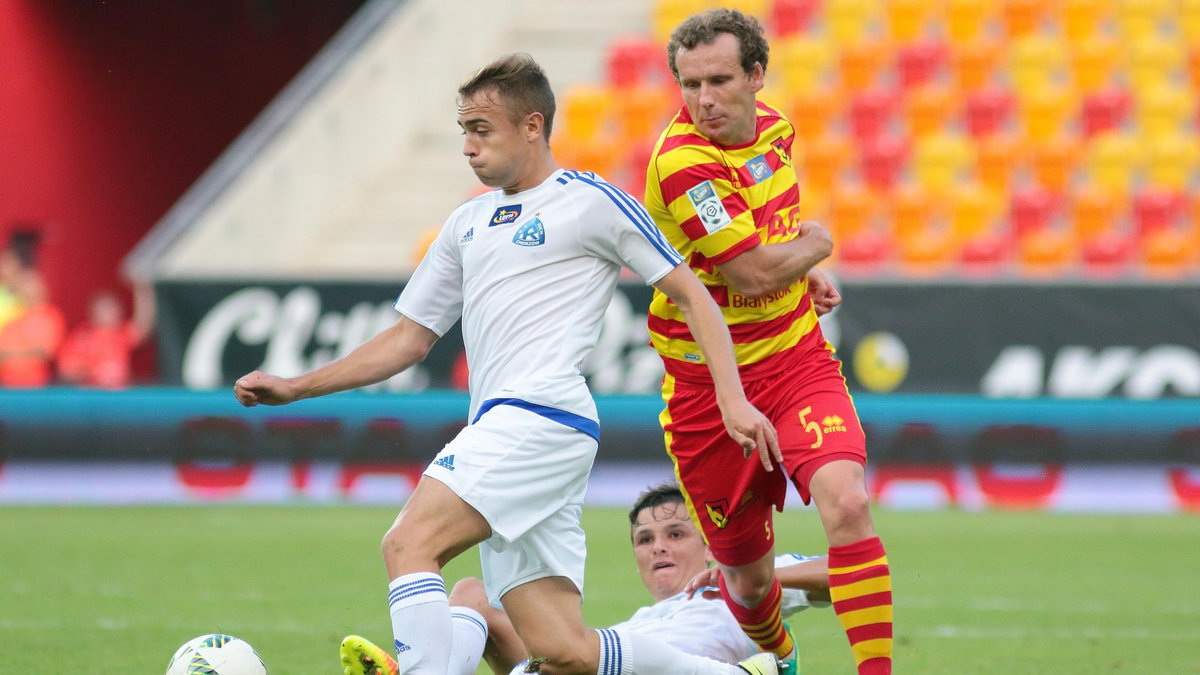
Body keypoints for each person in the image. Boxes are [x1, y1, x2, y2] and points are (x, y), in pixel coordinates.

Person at [235, 53, 783, 675]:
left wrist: (732, 399)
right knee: (563, 651)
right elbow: (409, 340)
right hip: (521, 428)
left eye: (481, 129)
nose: (468, 146)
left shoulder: (591, 201)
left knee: (408, 544)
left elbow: (693, 294)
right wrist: (297, 387)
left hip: (538, 415)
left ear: (532, 126)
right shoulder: (467, 222)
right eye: (463, 130)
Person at [643, 9, 894, 674]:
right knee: (751, 584)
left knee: (848, 499)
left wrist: (801, 268)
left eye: (719, 80)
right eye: (689, 84)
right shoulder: (683, 163)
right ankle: (780, 658)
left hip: (794, 359)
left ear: (757, 75)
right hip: (706, 389)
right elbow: (748, 269)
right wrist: (816, 244)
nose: (703, 99)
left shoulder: (776, 130)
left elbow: (764, 230)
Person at [339, 482, 831, 675]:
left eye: (675, 533)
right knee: (471, 592)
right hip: (605, 660)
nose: (658, 546)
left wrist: (742, 576)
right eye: (644, 539)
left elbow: (843, 574)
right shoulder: (646, 617)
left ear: (708, 544)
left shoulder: (743, 583)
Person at [0, 230, 65, 387]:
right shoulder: (11, 310)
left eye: (8, 263)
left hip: (32, 384)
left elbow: (43, 352)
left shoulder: (43, 314)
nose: (3, 267)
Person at [58, 284, 155, 388]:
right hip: (92, 393)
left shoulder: (121, 333)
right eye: (105, 309)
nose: (110, 313)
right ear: (92, 311)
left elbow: (144, 325)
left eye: (112, 309)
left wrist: (142, 288)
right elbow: (66, 371)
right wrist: (91, 370)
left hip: (117, 393)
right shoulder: (81, 337)